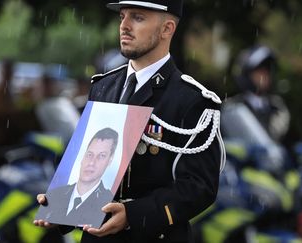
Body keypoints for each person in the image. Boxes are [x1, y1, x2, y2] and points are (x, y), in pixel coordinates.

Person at [34, 1, 225, 242]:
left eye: (137, 18)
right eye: (122, 17)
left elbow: (199, 188)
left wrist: (133, 215)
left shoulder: (191, 99)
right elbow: (89, 163)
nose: (124, 26)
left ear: (167, 29)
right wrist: (61, 208)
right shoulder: (102, 87)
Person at [36, 127, 118, 227]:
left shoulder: (108, 201)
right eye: (89, 154)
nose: (92, 162)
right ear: (82, 157)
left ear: (110, 160)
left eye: (101, 156)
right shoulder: (56, 195)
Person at [229, 45, 290, 142]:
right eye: (260, 70)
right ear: (246, 73)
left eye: (268, 70)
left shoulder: (276, 106)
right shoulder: (232, 106)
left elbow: (277, 138)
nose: (265, 75)